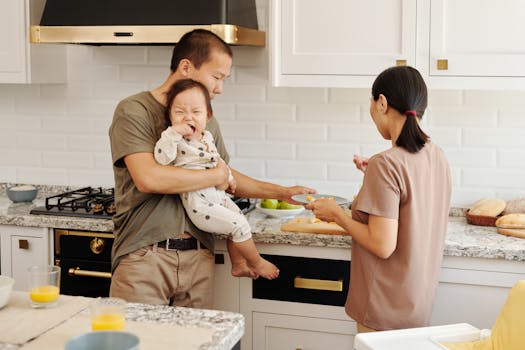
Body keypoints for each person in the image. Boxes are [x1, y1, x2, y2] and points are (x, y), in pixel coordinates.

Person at [108, 29, 315, 308]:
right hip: (145, 256)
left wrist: (280, 192)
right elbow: (149, 178)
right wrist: (216, 175)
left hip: (198, 259)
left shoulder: (205, 118)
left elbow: (224, 174)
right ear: (186, 67)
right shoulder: (134, 110)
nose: (219, 88)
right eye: (216, 77)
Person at [305, 66, 451, 332]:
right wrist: (373, 177)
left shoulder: (386, 164)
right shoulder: (437, 155)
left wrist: (336, 213)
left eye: (372, 105)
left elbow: (382, 244)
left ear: (381, 102)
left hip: (383, 307)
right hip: (417, 305)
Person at [154, 78, 279, 280]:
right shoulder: (173, 140)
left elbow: (217, 160)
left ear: (207, 115)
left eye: (196, 112)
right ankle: (257, 262)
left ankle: (238, 264)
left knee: (239, 220)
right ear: (170, 116)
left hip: (217, 195)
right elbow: (161, 158)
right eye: (179, 112)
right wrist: (171, 134)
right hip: (199, 203)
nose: (188, 118)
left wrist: (228, 177)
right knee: (239, 225)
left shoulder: (208, 137)